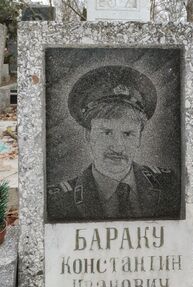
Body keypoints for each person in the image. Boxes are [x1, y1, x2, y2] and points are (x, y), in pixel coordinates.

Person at [47, 65, 181, 222]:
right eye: (107, 132)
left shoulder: (169, 184)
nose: (117, 146)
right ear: (88, 135)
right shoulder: (59, 201)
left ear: (139, 138)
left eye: (128, 134)